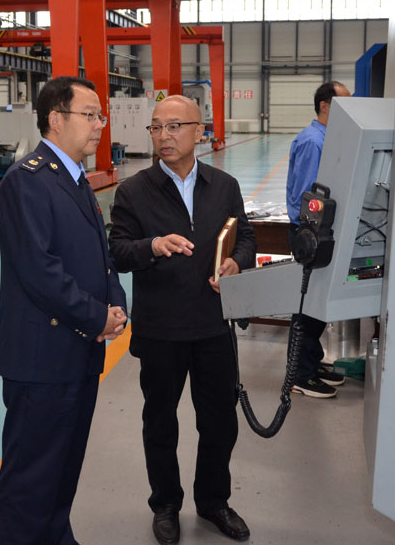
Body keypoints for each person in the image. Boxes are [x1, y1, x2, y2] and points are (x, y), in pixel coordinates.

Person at [109, 95, 256, 544]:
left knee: (219, 422)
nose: (164, 136)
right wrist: (152, 246)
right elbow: (118, 252)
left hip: (213, 326)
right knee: (160, 422)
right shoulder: (134, 191)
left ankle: (213, 502)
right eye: (156, 127)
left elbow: (245, 237)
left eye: (174, 126)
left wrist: (236, 263)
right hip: (161, 329)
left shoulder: (224, 185)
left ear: (199, 131)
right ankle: (166, 505)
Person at [0, 75, 128, 545]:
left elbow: (101, 257)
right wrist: (96, 317)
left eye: (100, 116)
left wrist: (116, 304)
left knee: (64, 467)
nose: (99, 125)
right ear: (56, 119)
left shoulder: (74, 179)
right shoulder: (27, 181)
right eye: (90, 115)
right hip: (42, 357)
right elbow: (40, 271)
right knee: (31, 478)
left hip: (78, 351)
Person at [285, 81, 351, 399]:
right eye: (344, 102)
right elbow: (307, 197)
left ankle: (311, 362)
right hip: (311, 235)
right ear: (325, 106)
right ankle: (299, 374)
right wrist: (313, 238)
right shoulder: (313, 142)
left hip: (322, 232)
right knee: (308, 307)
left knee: (319, 301)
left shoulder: (328, 139)